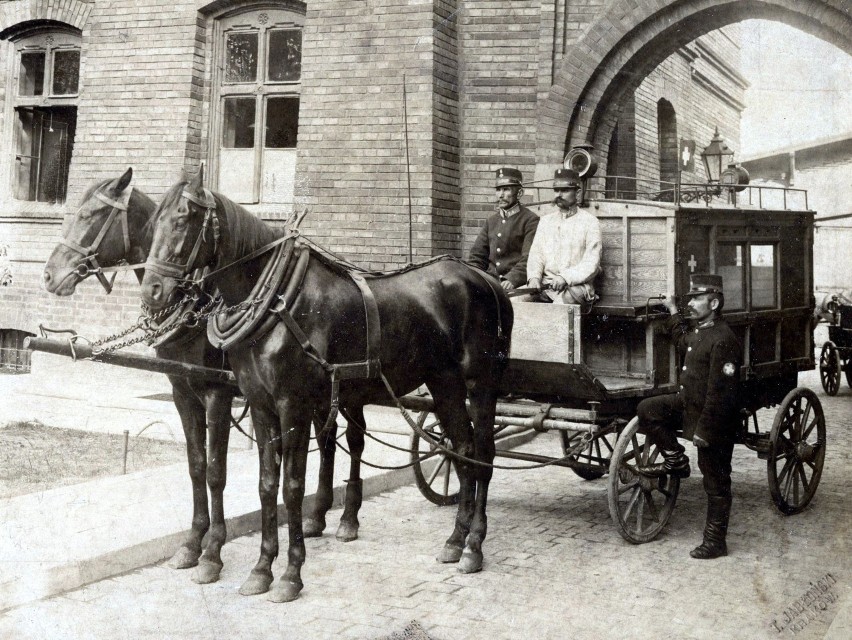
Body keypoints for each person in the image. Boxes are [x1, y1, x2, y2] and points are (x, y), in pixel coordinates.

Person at [636, 274, 742, 559]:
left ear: (715, 302)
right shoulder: (700, 331)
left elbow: (721, 396)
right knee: (648, 409)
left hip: (714, 420)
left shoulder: (724, 340)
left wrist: (703, 432)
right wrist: (672, 309)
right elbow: (682, 341)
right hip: (687, 404)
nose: (691, 303)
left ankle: (715, 541)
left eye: (697, 298)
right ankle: (675, 458)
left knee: (716, 481)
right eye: (690, 298)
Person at [525, 168, 601, 305]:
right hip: (546, 286)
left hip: (576, 287)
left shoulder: (590, 222)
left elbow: (591, 263)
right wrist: (534, 278)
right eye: (556, 190)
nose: (559, 194)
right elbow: (536, 255)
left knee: (560, 306)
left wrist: (565, 278)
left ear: (577, 192)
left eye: (565, 190)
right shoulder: (545, 221)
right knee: (515, 300)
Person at [468, 167, 540, 290]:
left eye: (506, 189)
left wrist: (512, 278)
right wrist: (473, 277)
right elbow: (477, 257)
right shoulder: (491, 221)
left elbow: (530, 258)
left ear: (519, 193)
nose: (500, 195)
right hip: (490, 282)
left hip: (515, 284)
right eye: (498, 189)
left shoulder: (530, 220)